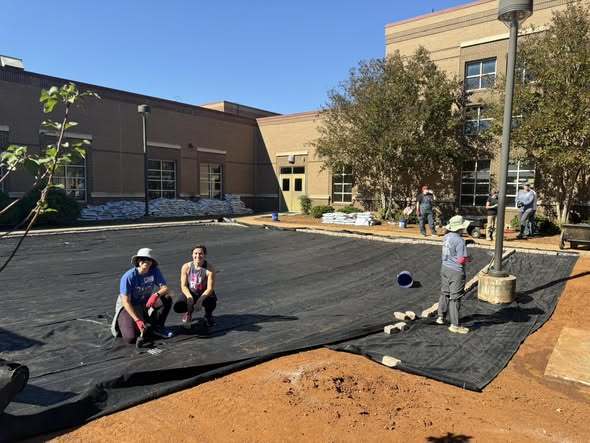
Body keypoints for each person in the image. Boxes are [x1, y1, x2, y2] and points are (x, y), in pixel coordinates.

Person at [110, 248, 173, 344]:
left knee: (167, 298)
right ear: (138, 261)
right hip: (129, 306)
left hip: (144, 303)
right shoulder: (129, 277)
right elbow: (126, 301)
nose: (146, 262)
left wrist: (155, 295)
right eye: (143, 259)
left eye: (149, 260)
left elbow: (165, 288)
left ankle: (158, 327)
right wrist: (137, 320)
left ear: (152, 262)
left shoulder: (154, 271)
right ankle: (124, 321)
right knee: (130, 338)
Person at [436, 215, 471, 334]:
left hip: (445, 268)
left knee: (445, 292)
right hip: (456, 272)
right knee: (455, 298)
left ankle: (441, 316)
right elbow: (461, 260)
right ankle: (454, 325)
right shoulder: (460, 240)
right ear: (460, 228)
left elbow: (451, 251)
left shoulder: (446, 237)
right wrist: (469, 258)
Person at [177, 245, 217, 330]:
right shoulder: (186, 267)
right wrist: (189, 297)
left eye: (200, 253)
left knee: (212, 300)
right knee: (179, 305)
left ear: (205, 255)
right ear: (192, 255)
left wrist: (200, 300)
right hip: (191, 291)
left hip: (203, 293)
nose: (198, 256)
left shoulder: (210, 269)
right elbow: (183, 285)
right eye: (195, 253)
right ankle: (188, 313)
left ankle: (208, 315)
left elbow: (210, 288)